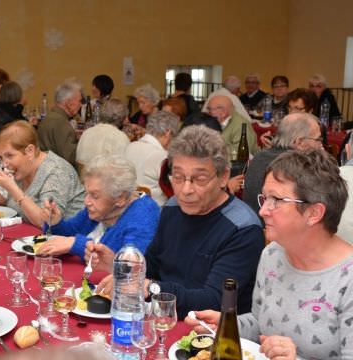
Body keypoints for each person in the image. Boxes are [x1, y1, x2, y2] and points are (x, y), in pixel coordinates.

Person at [187, 149, 353, 360]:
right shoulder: (272, 254)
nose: (263, 210)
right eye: (265, 198)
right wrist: (228, 324)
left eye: (276, 200)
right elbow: (261, 324)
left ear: (314, 213)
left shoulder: (348, 279)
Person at [87, 125, 264, 318]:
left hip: (208, 333)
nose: (185, 190)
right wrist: (122, 267)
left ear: (223, 177)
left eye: (199, 179)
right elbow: (153, 265)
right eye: (178, 177)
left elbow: (214, 300)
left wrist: (153, 288)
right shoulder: (173, 207)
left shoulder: (243, 228)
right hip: (162, 317)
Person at [36, 155, 160, 258]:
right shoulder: (98, 210)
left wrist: (76, 244)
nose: (86, 201)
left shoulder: (143, 217)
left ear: (120, 198)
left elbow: (128, 264)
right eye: (87, 193)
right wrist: (56, 222)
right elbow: (70, 234)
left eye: (94, 196)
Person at [0, 120, 85, 227]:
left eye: (9, 155)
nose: (4, 164)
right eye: (1, 157)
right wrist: (4, 200)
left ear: (30, 151)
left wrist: (13, 189)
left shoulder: (57, 171)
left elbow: (46, 222)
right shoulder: (23, 169)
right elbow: (22, 208)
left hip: (65, 239)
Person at [243, 113, 323, 214]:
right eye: (317, 139)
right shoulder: (298, 166)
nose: (320, 145)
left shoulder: (260, 156)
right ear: (299, 142)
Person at [125, 111, 179, 206]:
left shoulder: (130, 146)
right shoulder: (163, 157)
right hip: (154, 210)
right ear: (168, 133)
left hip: (127, 205)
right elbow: (175, 191)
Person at [37, 78, 82, 166]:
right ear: (69, 103)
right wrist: (84, 143)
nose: (81, 105)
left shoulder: (51, 117)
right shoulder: (60, 123)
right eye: (79, 101)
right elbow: (70, 157)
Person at [76, 98, 130, 169]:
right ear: (122, 118)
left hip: (85, 178)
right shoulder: (121, 138)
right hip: (106, 179)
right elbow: (124, 169)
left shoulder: (87, 133)